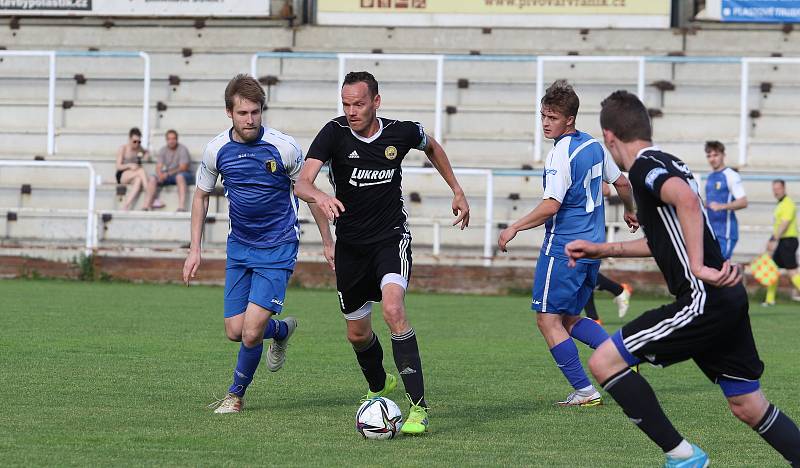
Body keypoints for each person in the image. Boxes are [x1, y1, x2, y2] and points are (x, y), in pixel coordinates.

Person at [565, 90, 800, 467]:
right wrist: (601, 249)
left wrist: (698, 267)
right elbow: (663, 239)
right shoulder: (669, 160)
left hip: (703, 298)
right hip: (727, 298)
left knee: (604, 363)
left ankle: (684, 457)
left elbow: (686, 201)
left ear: (609, 137)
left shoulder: (643, 167)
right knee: (748, 405)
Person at [294, 71, 470, 435]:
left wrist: (457, 189)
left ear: (376, 101)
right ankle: (378, 387)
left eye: (359, 103)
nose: (352, 111)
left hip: (390, 239)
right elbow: (302, 183)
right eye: (346, 104)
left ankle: (419, 408)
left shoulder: (401, 132)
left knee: (393, 309)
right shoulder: (334, 133)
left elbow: (432, 147)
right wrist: (321, 196)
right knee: (357, 334)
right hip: (351, 248)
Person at [182, 74, 333, 414]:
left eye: (255, 112)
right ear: (229, 113)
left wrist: (328, 242)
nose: (250, 119)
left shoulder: (285, 147)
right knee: (235, 330)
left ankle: (234, 397)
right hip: (239, 247)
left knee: (251, 333)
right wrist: (195, 248)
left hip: (278, 247)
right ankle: (279, 330)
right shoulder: (216, 150)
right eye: (242, 113)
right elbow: (201, 196)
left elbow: (309, 194)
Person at [497, 80, 638, 407]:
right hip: (594, 247)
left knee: (547, 319)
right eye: (543, 116)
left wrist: (514, 226)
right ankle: (624, 362)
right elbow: (621, 182)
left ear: (569, 119)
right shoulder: (594, 146)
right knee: (571, 319)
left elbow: (552, 205)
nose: (546, 123)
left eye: (552, 117)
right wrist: (631, 212)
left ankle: (586, 391)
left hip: (563, 248)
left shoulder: (560, 153)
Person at [704, 140, 747, 259]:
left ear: (723, 155)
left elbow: (743, 201)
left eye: (716, 155)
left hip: (726, 232)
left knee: (719, 266)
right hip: (711, 231)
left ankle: (738, 273)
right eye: (709, 156)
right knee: (713, 267)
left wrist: (722, 206)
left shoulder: (731, 175)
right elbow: (710, 203)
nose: (712, 159)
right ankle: (738, 273)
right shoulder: (710, 177)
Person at [764, 179, 800, 306]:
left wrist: (774, 239)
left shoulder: (788, 204)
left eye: (778, 189)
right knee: (772, 269)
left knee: (792, 272)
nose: (776, 191)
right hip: (783, 241)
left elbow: (784, 224)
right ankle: (769, 300)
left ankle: (769, 299)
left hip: (788, 241)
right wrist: (772, 239)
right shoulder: (780, 204)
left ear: (784, 188)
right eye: (774, 189)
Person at [148, 129, 195, 211]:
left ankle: (181, 207)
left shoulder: (182, 149)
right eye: (169, 139)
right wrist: (160, 174)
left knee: (179, 177)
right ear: (166, 140)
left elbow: (184, 167)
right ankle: (146, 206)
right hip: (170, 175)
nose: (171, 141)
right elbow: (158, 166)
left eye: (173, 138)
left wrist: (168, 173)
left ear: (177, 139)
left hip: (185, 174)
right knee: (153, 178)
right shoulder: (163, 150)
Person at [115, 127, 157, 210]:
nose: (137, 144)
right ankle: (149, 195)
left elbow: (146, 153)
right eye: (134, 141)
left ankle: (126, 205)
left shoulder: (139, 148)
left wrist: (146, 155)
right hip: (122, 174)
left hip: (134, 175)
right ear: (129, 139)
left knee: (138, 180)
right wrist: (129, 165)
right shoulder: (123, 148)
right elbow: (118, 166)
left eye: (139, 142)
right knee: (140, 171)